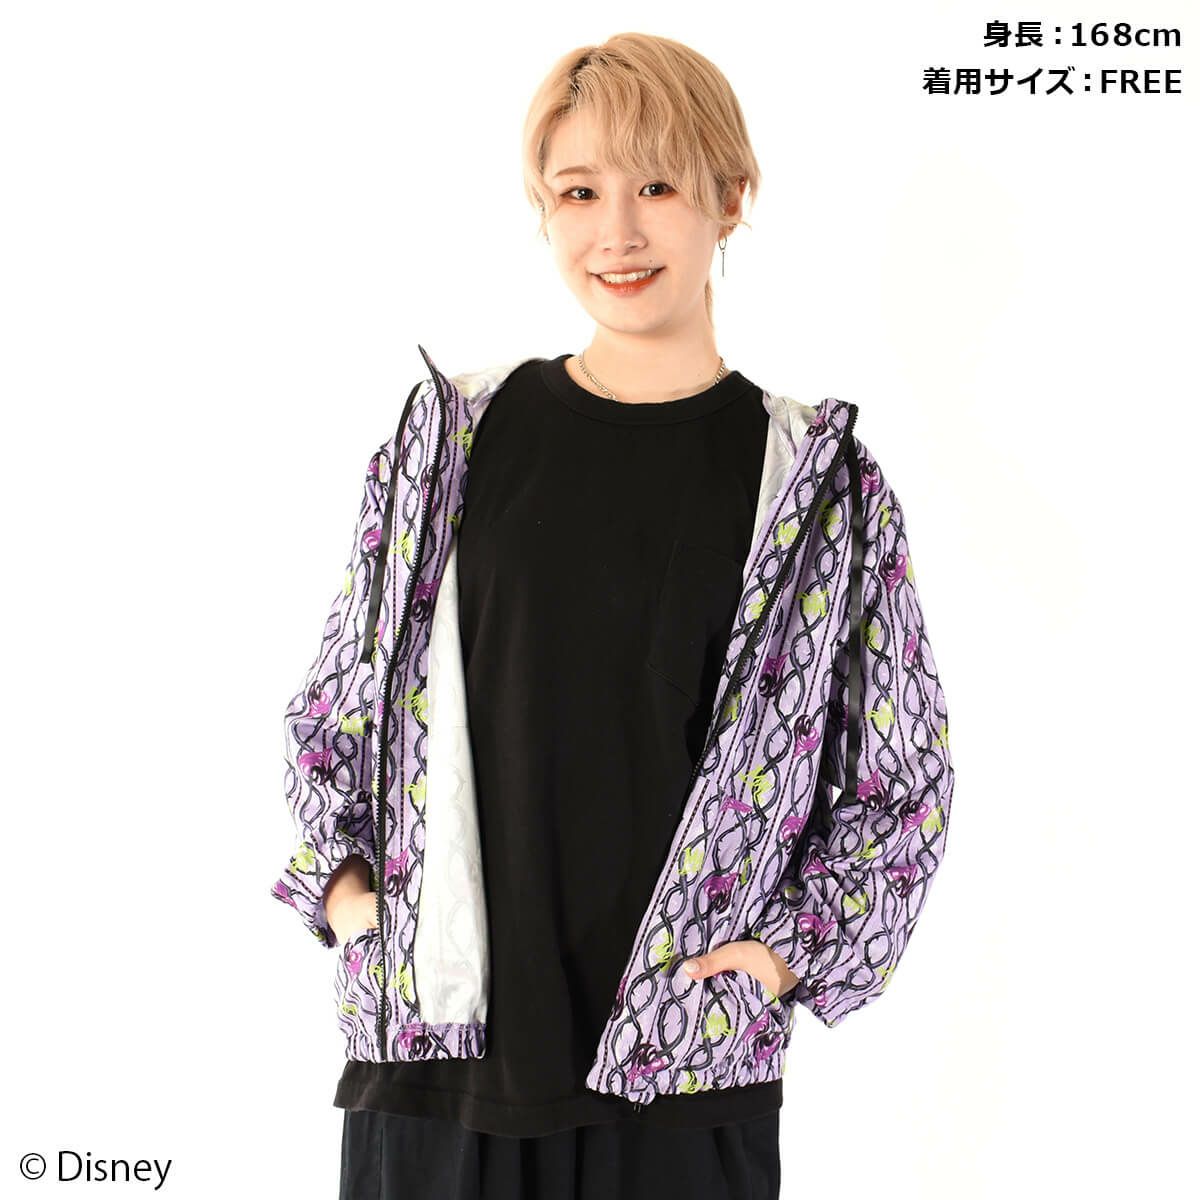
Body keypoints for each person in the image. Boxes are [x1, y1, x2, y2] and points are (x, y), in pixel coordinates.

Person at [271, 32, 956, 1200]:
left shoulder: (817, 486)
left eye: (659, 187)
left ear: (730, 198)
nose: (618, 234)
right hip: (441, 1065)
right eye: (580, 193)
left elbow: (899, 779)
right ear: (544, 210)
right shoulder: (451, 442)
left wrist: (782, 960)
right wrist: (348, 904)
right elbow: (338, 707)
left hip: (683, 1071)